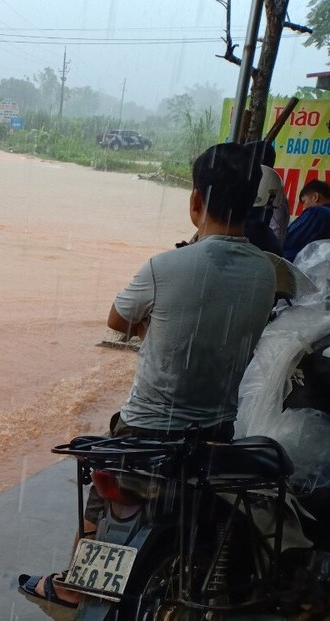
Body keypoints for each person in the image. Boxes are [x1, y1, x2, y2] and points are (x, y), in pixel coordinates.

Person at [17, 142, 277, 610]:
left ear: (196, 200)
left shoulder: (165, 266)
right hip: (218, 431)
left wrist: (154, 322)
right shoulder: (266, 273)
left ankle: (77, 584)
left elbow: (117, 320)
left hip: (147, 431)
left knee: (100, 496)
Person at [282, 180, 330, 262]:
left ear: (315, 196)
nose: (304, 208)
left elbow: (288, 242)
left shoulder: (317, 212)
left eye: (304, 201)